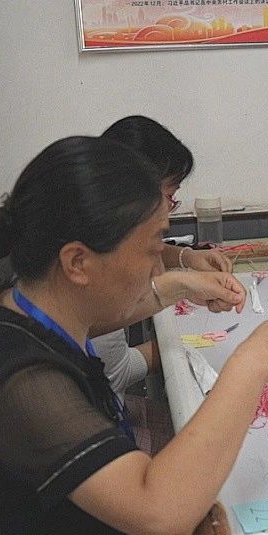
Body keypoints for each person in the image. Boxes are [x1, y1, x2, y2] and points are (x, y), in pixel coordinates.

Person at [0, 135, 268, 535]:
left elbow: (85, 318)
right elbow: (163, 513)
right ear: (78, 261)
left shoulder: (21, 301)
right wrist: (251, 364)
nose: (159, 263)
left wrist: (179, 285)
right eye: (152, 246)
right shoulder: (23, 384)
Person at [95, 116, 232, 401]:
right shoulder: (99, 259)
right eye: (168, 198)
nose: (167, 217)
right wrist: (183, 349)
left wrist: (187, 259)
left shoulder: (99, 236)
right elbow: (114, 374)